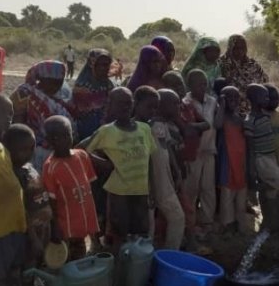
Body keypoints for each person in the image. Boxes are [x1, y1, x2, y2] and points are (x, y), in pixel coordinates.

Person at [85, 87, 158, 251]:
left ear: (133, 104)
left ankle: (135, 267)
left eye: (128, 103)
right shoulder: (106, 131)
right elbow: (81, 151)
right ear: (110, 106)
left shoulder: (144, 129)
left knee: (141, 230)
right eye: (119, 104)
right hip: (119, 192)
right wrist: (104, 164)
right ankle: (118, 268)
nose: (124, 107)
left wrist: (152, 188)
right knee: (120, 231)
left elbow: (149, 160)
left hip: (140, 190)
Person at [42, 116, 99, 260]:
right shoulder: (50, 167)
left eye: (66, 135)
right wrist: (55, 228)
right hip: (66, 227)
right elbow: (52, 201)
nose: (63, 140)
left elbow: (89, 186)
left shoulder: (82, 156)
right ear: (48, 141)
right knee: (68, 260)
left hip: (84, 220)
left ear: (72, 133)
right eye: (55, 138)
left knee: (81, 255)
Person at [0, 93, 27, 282]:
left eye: (11, 113)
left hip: (11, 224)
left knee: (9, 267)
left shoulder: (1, 148)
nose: (10, 117)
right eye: (5, 113)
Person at [10, 61, 75, 171]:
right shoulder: (25, 93)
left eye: (59, 82)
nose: (55, 86)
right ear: (40, 78)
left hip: (57, 149)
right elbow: (17, 123)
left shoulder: (63, 94)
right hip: (31, 149)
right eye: (51, 81)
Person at [4, 124, 51, 268]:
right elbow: (20, 211)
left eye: (32, 147)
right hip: (28, 234)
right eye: (24, 150)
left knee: (37, 263)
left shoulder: (29, 168)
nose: (30, 152)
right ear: (8, 151)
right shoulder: (13, 176)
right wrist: (33, 239)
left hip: (42, 227)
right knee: (27, 266)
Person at [245, 84, 279, 232]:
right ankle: (257, 187)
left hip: (271, 157)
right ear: (255, 99)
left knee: (270, 193)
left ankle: (269, 222)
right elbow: (250, 148)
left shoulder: (265, 116)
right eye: (265, 97)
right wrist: (252, 171)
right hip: (262, 158)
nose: (268, 99)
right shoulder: (250, 120)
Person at [150, 89, 187, 249]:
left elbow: (168, 148)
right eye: (175, 103)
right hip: (152, 183)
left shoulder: (162, 125)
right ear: (161, 105)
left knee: (177, 217)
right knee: (149, 228)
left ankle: (169, 255)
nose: (179, 106)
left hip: (165, 182)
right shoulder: (149, 126)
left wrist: (177, 171)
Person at [182, 70, 218, 233]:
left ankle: (207, 220)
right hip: (193, 153)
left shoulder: (212, 102)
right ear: (190, 86)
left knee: (208, 187)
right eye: (199, 84)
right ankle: (190, 222)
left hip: (209, 150)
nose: (203, 87)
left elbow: (216, 123)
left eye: (205, 84)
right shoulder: (185, 103)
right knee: (191, 188)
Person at [215, 86, 250, 234]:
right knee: (227, 197)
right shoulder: (222, 118)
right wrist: (221, 105)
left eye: (236, 98)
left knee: (240, 198)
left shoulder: (240, 118)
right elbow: (216, 124)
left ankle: (240, 226)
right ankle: (227, 224)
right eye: (229, 98)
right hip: (227, 163)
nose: (234, 101)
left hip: (240, 162)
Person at [218, 35, 269, 114]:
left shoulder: (252, 63)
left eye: (242, 48)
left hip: (253, 107)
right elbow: (219, 84)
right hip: (232, 108)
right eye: (236, 48)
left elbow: (265, 80)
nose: (240, 51)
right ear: (230, 48)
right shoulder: (222, 63)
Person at [72, 49, 114, 141]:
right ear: (92, 64)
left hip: (107, 130)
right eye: (102, 65)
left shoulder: (108, 83)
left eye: (107, 64)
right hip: (87, 131)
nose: (106, 68)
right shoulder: (82, 86)